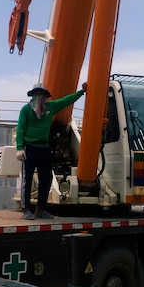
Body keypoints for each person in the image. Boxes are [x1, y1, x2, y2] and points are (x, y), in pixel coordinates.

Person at [16, 82, 87, 220]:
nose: (39, 97)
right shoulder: (26, 110)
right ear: (33, 96)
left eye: (41, 95)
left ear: (45, 97)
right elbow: (20, 129)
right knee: (28, 178)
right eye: (36, 94)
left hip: (44, 148)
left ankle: (40, 209)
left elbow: (66, 100)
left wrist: (81, 92)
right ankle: (26, 210)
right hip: (30, 147)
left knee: (46, 178)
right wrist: (20, 148)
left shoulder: (51, 107)